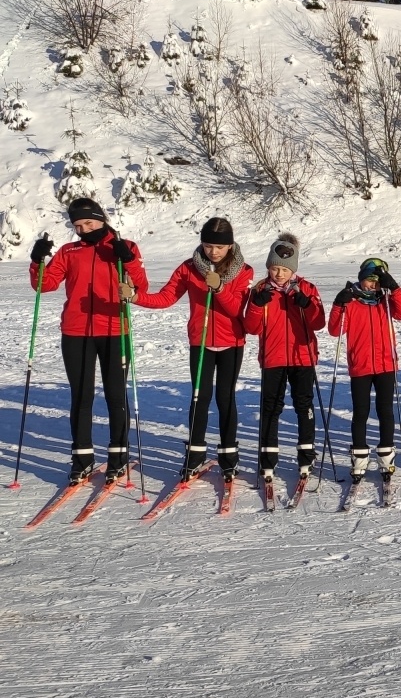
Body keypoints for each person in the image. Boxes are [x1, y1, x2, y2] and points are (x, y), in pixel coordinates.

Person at [27, 197, 147, 485]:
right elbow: (44, 284)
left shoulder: (124, 248)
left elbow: (140, 286)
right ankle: (82, 459)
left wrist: (127, 259)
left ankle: (118, 457)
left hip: (115, 329)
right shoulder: (70, 251)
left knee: (116, 396)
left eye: (89, 223)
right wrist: (36, 260)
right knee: (81, 396)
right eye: (78, 226)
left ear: (102, 219)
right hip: (76, 332)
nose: (83, 230)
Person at [134, 217, 250, 482]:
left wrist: (219, 287)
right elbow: (166, 297)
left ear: (230, 246)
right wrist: (135, 296)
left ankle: (229, 457)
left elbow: (236, 310)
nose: (214, 251)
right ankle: (195, 455)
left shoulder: (244, 271)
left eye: (220, 247)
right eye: (208, 245)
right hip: (201, 341)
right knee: (200, 397)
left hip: (231, 341)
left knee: (225, 398)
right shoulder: (188, 268)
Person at [243, 234, 326, 488]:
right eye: (275, 268)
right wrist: (256, 305)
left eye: (285, 270)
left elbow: (319, 322)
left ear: (294, 269)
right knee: (271, 407)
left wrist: (306, 305)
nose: (279, 274)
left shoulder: (307, 288)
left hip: (302, 357)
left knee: (304, 405)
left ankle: (306, 455)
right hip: (273, 358)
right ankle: (268, 458)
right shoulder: (260, 290)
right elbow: (251, 327)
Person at [328, 258, 401, 485]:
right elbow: (335, 330)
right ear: (360, 279)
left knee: (385, 410)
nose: (371, 286)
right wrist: (338, 304)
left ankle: (386, 457)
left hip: (385, 364)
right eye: (367, 280)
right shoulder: (352, 302)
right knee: (360, 412)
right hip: (361, 366)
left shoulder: (386, 301)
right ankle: (359, 458)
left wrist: (393, 288)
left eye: (376, 282)